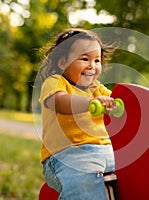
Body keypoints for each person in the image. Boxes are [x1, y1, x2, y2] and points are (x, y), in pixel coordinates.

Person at [38, 28, 116, 200]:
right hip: (66, 155)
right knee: (84, 181)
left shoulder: (98, 88)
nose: (92, 65)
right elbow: (60, 102)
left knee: (136, 171)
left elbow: (116, 101)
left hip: (107, 152)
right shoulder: (56, 82)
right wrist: (91, 104)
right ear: (62, 62)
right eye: (84, 59)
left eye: (97, 60)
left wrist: (119, 104)